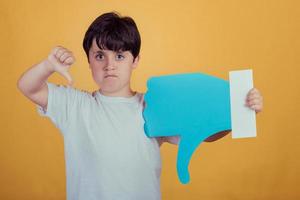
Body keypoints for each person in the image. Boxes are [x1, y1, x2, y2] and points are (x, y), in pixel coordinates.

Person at [17, 12, 263, 200]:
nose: (110, 65)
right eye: (100, 55)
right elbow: (28, 86)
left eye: (120, 56)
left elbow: (205, 134)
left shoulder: (154, 106)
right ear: (89, 61)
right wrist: (48, 65)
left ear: (135, 60)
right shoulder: (75, 106)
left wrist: (240, 110)